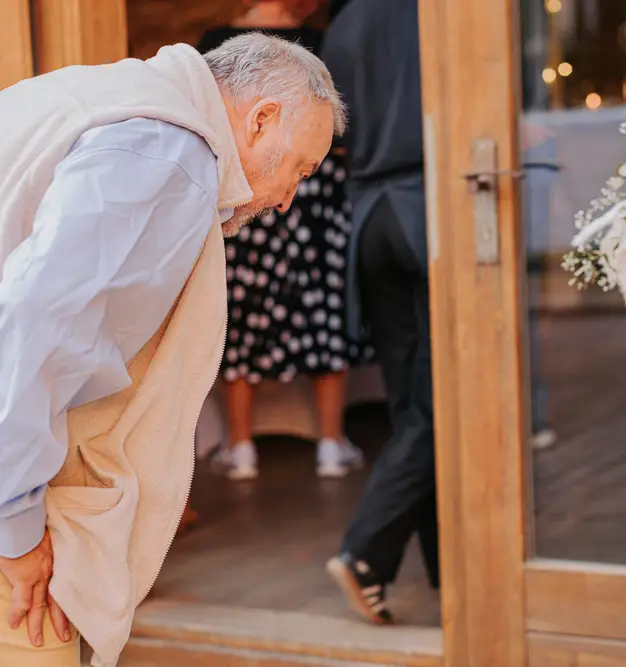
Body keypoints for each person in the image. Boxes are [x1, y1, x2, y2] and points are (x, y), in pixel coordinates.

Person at [0, 33, 343, 666]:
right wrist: (16, 528)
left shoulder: (123, 102)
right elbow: (32, 329)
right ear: (261, 118)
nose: (288, 198)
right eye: (298, 167)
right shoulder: (168, 158)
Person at [198, 0, 367, 482]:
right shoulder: (323, 42)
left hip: (251, 186)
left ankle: (240, 445)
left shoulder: (218, 45)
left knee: (245, 311)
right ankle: (331, 442)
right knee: (323, 307)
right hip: (317, 194)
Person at [320, 0, 436, 624]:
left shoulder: (347, 23)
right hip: (429, 212)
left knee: (412, 407)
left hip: (370, 218)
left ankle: (451, 569)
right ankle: (365, 553)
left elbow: (334, 132)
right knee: (442, 409)